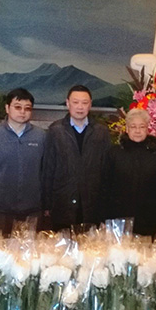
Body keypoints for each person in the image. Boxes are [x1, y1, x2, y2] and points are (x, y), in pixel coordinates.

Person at [43, 85, 111, 231]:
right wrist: (47, 204)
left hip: (92, 203)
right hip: (62, 202)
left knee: (90, 243)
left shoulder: (101, 131)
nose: (80, 107)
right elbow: (48, 169)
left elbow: (106, 170)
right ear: (68, 103)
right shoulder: (55, 130)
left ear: (90, 104)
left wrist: (106, 205)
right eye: (75, 102)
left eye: (84, 103)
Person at [0, 88, 46, 235]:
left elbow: (45, 170)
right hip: (0, 209)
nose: (22, 112)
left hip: (33, 208)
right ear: (7, 108)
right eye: (17, 107)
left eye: (27, 108)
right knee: (0, 247)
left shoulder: (41, 136)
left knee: (31, 248)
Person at [101, 109, 156, 236]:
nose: (137, 131)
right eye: (133, 127)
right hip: (119, 218)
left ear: (147, 128)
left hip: (149, 219)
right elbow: (105, 186)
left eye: (142, 127)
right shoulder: (114, 153)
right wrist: (104, 217)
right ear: (127, 129)